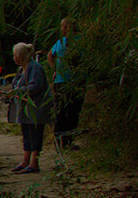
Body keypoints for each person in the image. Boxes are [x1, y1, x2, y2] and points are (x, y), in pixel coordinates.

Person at [7, 42, 52, 173]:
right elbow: (16, 85)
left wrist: (19, 91)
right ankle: (25, 162)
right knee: (26, 134)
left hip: (36, 108)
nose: (14, 58)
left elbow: (35, 86)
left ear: (20, 56)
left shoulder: (35, 67)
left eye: (14, 55)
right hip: (25, 110)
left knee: (35, 134)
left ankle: (34, 163)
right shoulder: (22, 69)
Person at [47, 17, 82, 149]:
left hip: (74, 82)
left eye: (64, 27)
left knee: (69, 111)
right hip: (64, 81)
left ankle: (66, 141)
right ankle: (61, 140)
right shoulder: (61, 42)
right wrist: (54, 69)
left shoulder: (78, 41)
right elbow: (50, 55)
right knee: (64, 111)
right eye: (62, 27)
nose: (63, 29)